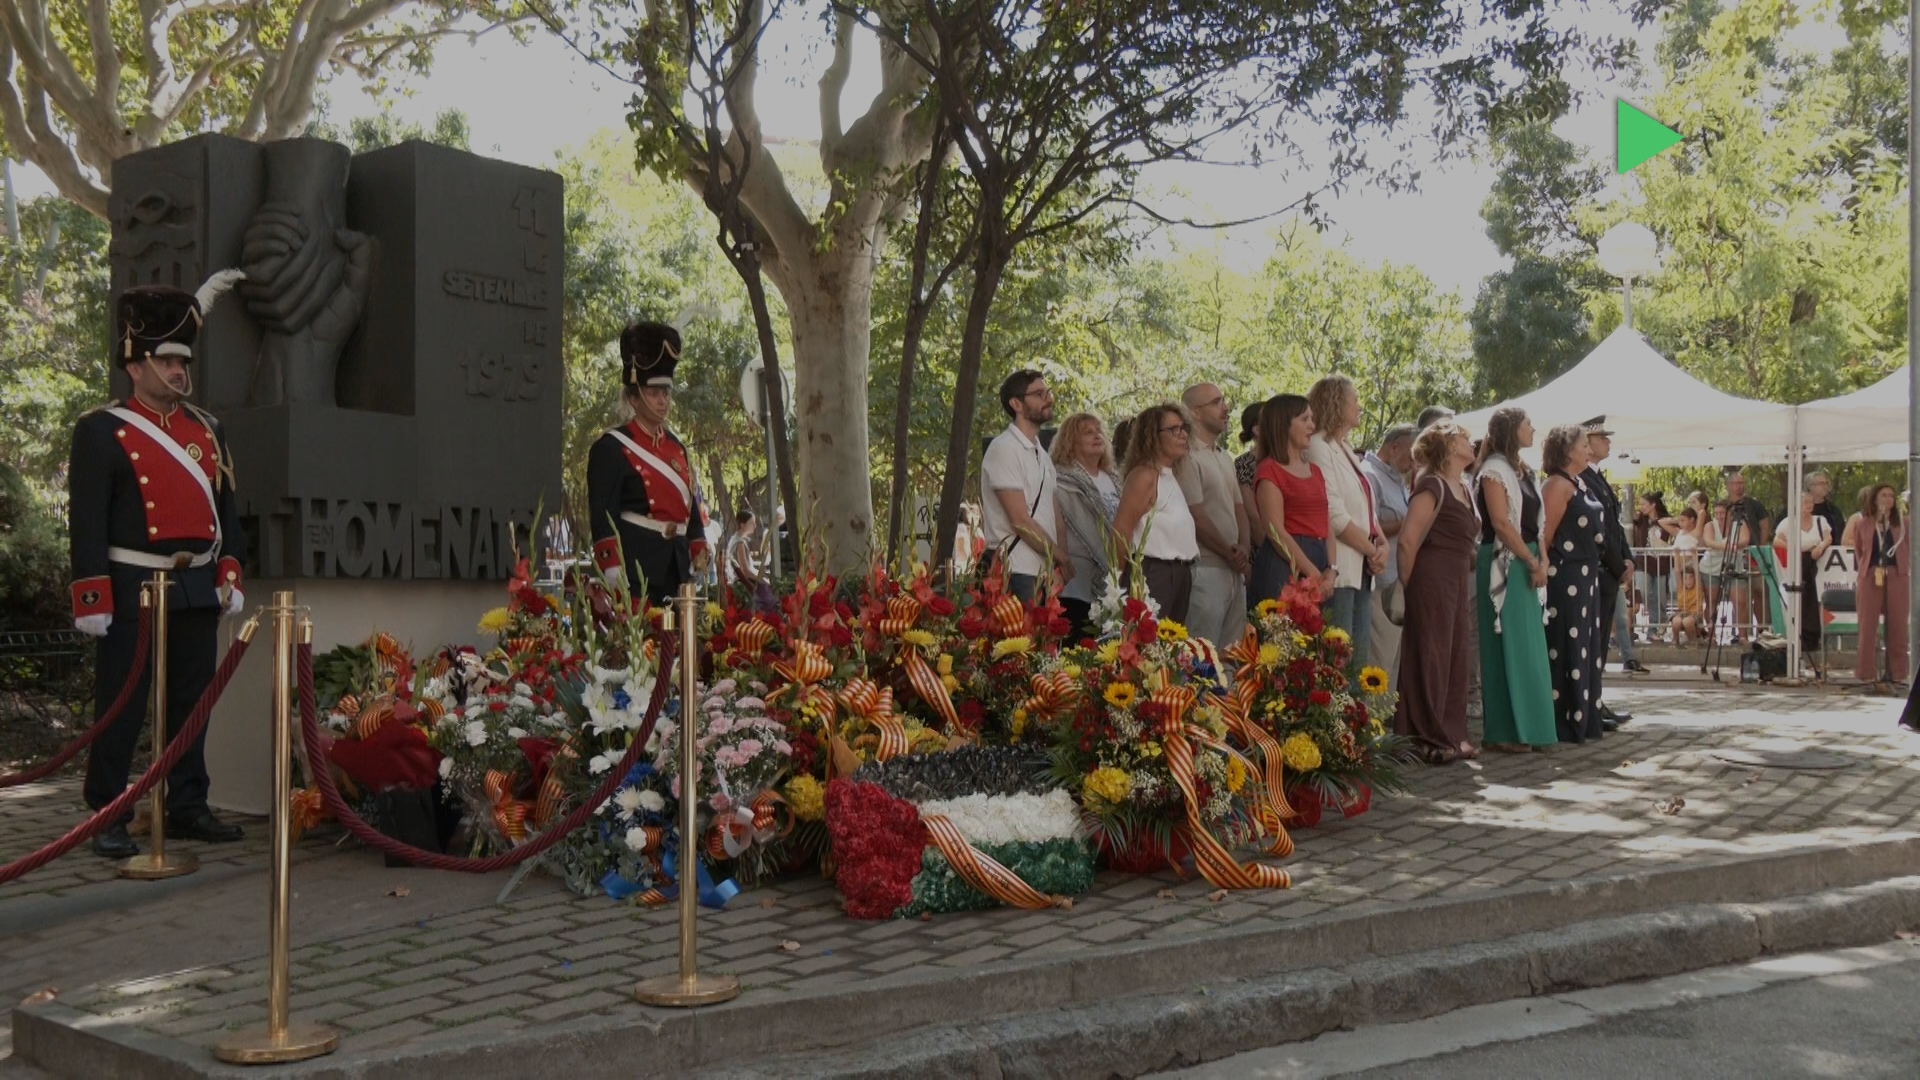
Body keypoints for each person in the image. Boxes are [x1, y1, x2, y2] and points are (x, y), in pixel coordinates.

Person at [69, 278, 251, 858]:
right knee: (122, 704)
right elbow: (87, 523)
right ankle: (108, 813)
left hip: (195, 583)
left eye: (183, 361)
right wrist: (92, 598)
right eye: (168, 360)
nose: (179, 371)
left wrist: (228, 570)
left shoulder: (207, 430)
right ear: (136, 365)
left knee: (192, 703)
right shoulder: (102, 430)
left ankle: (187, 804)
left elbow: (225, 511)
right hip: (132, 586)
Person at [588, 322, 712, 606]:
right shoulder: (611, 447)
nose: (662, 401)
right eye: (654, 393)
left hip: (678, 568)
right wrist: (611, 567)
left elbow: (690, 509)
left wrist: (698, 547)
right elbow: (603, 516)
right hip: (636, 570)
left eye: (666, 393)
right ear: (634, 398)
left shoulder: (676, 447)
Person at [1393, 421, 1480, 763]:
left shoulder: (1463, 486)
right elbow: (1408, 540)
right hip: (1430, 578)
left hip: (1457, 579)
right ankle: (1426, 735)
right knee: (1431, 654)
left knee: (1456, 655)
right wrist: (1408, 585)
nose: (1471, 442)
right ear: (1448, 444)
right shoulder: (1431, 484)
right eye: (1464, 437)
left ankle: (1452, 732)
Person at [1473, 408, 1557, 752]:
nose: (1533, 429)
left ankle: (1534, 727)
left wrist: (1542, 558)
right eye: (1527, 425)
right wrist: (1530, 559)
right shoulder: (1493, 470)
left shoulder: (1526, 471)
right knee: (1504, 644)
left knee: (1529, 648)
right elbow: (1501, 523)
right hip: (1503, 562)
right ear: (1512, 430)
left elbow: (1537, 523)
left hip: (1528, 559)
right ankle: (1505, 731)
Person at [1304, 376, 1386, 674]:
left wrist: (1382, 545)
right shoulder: (1318, 446)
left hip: (1362, 567)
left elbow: (1365, 506)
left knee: (1357, 663)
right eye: (1354, 401)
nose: (1359, 407)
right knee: (1338, 665)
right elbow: (1333, 512)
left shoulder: (1345, 448)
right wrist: (1372, 550)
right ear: (1336, 403)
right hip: (1339, 568)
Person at [979, 370, 1072, 603]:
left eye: (1048, 392)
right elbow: (1020, 521)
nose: (1048, 399)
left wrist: (1059, 567)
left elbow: (1057, 520)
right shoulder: (1004, 448)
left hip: (1044, 573)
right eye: (1039, 394)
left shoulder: (1043, 455)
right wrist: (1061, 557)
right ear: (1016, 404)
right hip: (1014, 570)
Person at [1542, 424, 1607, 744]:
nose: (1588, 450)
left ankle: (1585, 716)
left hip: (1586, 577)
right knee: (1566, 645)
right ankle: (1565, 718)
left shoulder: (1579, 482)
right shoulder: (1557, 485)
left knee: (1585, 645)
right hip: (1565, 575)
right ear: (1568, 450)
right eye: (1583, 445)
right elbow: (1546, 534)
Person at [1177, 383, 1250, 647]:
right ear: (1194, 412)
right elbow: (1195, 515)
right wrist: (1230, 553)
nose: (1226, 408)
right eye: (1216, 402)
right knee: (1201, 655)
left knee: (1233, 655)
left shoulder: (1224, 457)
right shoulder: (1186, 457)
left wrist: (1244, 549)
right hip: (1206, 568)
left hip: (1234, 570)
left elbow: (1239, 509)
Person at [1113, 404, 1201, 624]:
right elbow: (1121, 531)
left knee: (1171, 641)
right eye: (1173, 429)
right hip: (1154, 572)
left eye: (1183, 428)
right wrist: (1116, 584)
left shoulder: (1168, 475)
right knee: (1147, 639)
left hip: (1179, 573)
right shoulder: (1145, 475)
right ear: (1152, 435)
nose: (1182, 435)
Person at [1579, 417, 1640, 726]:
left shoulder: (1597, 478)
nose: (1608, 442)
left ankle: (1596, 700)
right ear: (1587, 444)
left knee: (1602, 640)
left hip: (1610, 570)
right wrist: (1618, 565)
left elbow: (1614, 525)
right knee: (1595, 640)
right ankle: (1591, 702)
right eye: (1601, 438)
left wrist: (1627, 558)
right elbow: (1599, 530)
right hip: (1600, 570)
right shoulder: (1583, 479)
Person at [1251, 395, 1336, 604]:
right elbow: (1276, 532)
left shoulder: (1315, 471)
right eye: (1305, 419)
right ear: (1283, 424)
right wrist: (1314, 574)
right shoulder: (1269, 470)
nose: (1312, 426)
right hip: (1284, 564)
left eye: (1312, 419)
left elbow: (1326, 523)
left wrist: (1332, 569)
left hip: (1319, 561)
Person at [1052, 411, 1119, 638]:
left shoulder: (1115, 478)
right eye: (1087, 432)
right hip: (1077, 582)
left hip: (1114, 580)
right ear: (1071, 441)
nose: (1096, 435)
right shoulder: (1061, 480)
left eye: (1099, 431)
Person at [1362, 425, 1415, 689]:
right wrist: (1409, 523)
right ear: (1394, 448)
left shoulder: (1398, 480)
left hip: (1397, 580)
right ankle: (1373, 711)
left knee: (1394, 659)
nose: (1413, 464)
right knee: (1379, 658)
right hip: (1379, 581)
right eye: (1411, 456)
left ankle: (1388, 710)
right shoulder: (1370, 475)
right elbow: (1368, 526)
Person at [1849, 484, 1908, 685]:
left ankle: (1898, 673)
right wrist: (1868, 570)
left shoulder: (1903, 523)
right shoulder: (1862, 524)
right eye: (1883, 495)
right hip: (1871, 574)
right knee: (1867, 626)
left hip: (1896, 574)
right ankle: (1865, 673)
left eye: (1891, 495)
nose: (1888, 499)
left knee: (1898, 625)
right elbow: (1859, 550)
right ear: (1874, 499)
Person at [1774, 491, 1833, 674]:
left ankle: (1813, 638)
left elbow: (1828, 537)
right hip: (1798, 562)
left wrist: (1821, 547)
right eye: (1805, 502)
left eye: (1810, 502)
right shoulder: (1788, 522)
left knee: (1813, 599)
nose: (1809, 505)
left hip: (1816, 561)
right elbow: (1777, 540)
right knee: (1800, 598)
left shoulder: (1820, 520)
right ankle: (1799, 638)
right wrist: (1794, 548)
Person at [1724, 468, 1773, 636]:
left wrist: (1760, 547)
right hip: (1733, 556)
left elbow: (1764, 525)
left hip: (1754, 555)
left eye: (1741, 483)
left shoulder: (1754, 504)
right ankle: (1741, 633)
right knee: (1739, 597)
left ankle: (1762, 629)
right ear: (1728, 485)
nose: (1739, 486)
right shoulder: (1725, 506)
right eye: (1736, 483)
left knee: (1760, 593)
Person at [1631, 492, 1675, 644]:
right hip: (1643, 562)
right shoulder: (1640, 520)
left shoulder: (1665, 519)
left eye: (1644, 504)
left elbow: (1675, 531)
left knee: (1660, 597)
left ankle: (1657, 628)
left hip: (1661, 563)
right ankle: (1652, 626)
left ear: (1653, 505)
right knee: (1644, 592)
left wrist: (1661, 522)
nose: (1641, 507)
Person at [724, 510, 774, 611]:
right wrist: (763, 580)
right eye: (752, 523)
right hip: (743, 584)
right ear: (742, 525)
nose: (755, 526)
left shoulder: (736, 539)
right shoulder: (740, 543)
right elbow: (745, 571)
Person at [1670, 559, 1708, 646]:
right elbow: (1677, 571)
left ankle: (1693, 641)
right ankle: (1675, 639)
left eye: (1691, 578)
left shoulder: (1697, 588)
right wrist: (1676, 554)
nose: (1688, 581)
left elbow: (1697, 572)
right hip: (1682, 612)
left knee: (1687, 621)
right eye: (1685, 578)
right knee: (1676, 621)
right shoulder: (1681, 587)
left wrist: (1694, 554)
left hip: (1694, 614)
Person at [1806, 471, 1846, 541]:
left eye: (1826, 483)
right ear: (1810, 486)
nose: (1825, 487)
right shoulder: (1798, 508)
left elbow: (1841, 533)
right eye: (1821, 484)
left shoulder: (1833, 510)